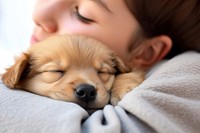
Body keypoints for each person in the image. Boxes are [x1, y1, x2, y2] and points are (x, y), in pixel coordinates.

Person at [0, 0, 200, 133]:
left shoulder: (187, 71)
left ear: (147, 52)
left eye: (82, 14)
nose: (39, 14)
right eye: (56, 71)